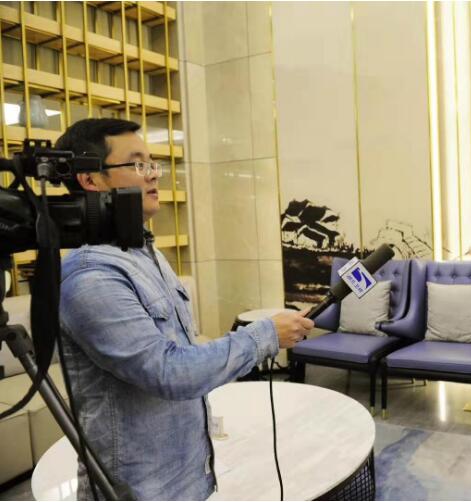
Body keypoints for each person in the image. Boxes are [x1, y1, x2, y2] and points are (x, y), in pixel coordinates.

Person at [56, 118, 314, 500]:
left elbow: (182, 352)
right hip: (140, 489)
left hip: (189, 474)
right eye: (137, 164)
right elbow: (169, 371)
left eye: (152, 163)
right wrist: (265, 335)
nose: (152, 174)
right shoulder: (91, 276)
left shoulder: (146, 253)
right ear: (91, 180)